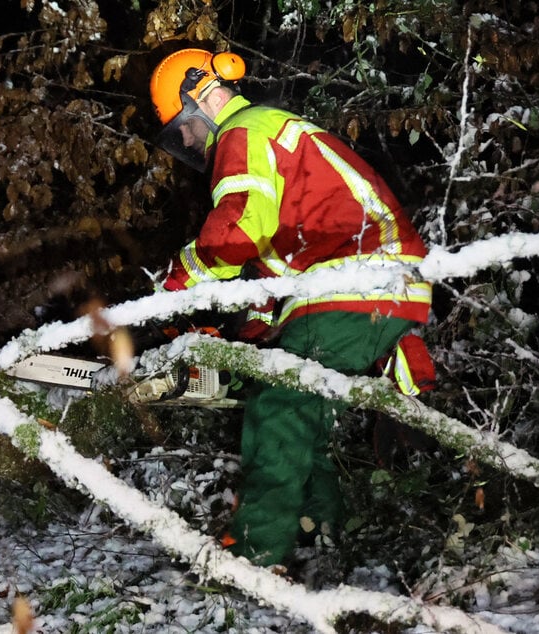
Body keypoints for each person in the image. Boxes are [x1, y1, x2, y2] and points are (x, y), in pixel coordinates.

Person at [148, 48, 433, 566]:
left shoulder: (244, 132)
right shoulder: (280, 138)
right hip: (373, 285)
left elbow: (237, 231)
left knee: (280, 411)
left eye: (184, 127)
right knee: (306, 415)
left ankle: (253, 555)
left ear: (205, 95)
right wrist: (249, 334)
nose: (186, 140)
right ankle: (316, 532)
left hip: (354, 283)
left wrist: (177, 283)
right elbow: (274, 261)